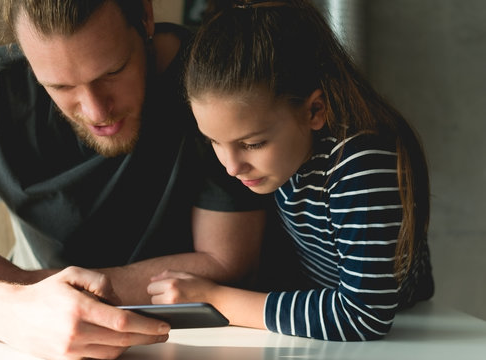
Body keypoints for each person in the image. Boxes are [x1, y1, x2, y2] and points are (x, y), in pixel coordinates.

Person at [0, 0, 268, 359]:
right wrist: (8, 309)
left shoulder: (213, 79)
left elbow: (228, 264)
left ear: (145, 17)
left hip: (207, 343)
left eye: (112, 72)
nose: (96, 111)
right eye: (60, 86)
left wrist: (24, 284)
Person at [148, 0, 435, 341]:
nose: (231, 167)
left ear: (315, 110)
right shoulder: (288, 157)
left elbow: (363, 317)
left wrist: (214, 298)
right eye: (214, 141)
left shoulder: (361, 162)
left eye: (252, 144)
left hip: (404, 331)